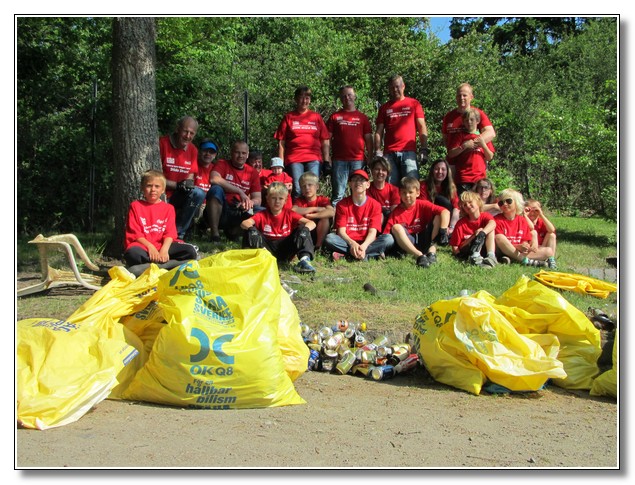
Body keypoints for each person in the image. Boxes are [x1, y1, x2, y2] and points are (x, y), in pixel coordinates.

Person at [123, 170, 198, 277]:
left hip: (163, 246)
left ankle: (149, 267)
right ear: (142, 188)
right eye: (149, 186)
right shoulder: (135, 206)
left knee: (190, 251)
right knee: (132, 254)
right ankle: (168, 265)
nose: (153, 189)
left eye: (157, 186)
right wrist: (151, 247)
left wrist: (164, 250)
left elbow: (170, 233)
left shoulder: (168, 208)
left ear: (163, 190)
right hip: (144, 246)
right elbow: (136, 234)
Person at [241, 182, 317, 274]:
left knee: (302, 228)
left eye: (280, 199)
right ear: (267, 199)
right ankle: (251, 259)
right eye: (273, 198)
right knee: (249, 231)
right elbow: (245, 223)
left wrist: (306, 229)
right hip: (266, 249)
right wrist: (251, 229)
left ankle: (304, 261)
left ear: (285, 201)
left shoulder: (289, 214)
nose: (277, 201)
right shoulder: (262, 214)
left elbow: (311, 223)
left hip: (285, 249)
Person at [323, 169, 394, 261]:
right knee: (330, 238)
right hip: (348, 241)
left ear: (368, 184)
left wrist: (363, 247)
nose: (358, 182)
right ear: (350, 184)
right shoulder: (342, 204)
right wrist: (352, 244)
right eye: (355, 180)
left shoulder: (375, 205)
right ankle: (371, 254)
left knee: (388, 239)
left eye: (361, 180)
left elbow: (373, 232)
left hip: (368, 241)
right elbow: (341, 232)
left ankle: (348, 254)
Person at [274, 86, 331, 199]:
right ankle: (297, 215)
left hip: (314, 158)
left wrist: (326, 161)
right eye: (301, 97)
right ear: (296, 99)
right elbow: (281, 142)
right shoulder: (289, 117)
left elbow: (325, 140)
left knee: (312, 188)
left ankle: (311, 216)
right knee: (298, 189)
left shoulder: (316, 117)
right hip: (294, 158)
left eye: (307, 98)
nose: (304, 101)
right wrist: (280, 163)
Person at [384, 176, 450, 269]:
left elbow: (445, 212)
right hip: (409, 242)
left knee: (438, 216)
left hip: (425, 238)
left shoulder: (423, 204)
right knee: (396, 227)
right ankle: (419, 256)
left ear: (418, 193)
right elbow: (386, 235)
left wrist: (443, 231)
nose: (407, 195)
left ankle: (432, 252)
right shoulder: (396, 212)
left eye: (410, 192)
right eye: (404, 193)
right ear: (400, 194)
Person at [374, 75, 428, 185]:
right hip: (389, 153)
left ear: (403, 86)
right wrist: (378, 150)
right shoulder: (384, 108)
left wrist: (424, 148)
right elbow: (379, 131)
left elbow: (421, 127)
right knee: (391, 187)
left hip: (409, 152)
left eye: (397, 86)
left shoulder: (414, 104)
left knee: (411, 185)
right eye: (392, 87)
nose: (395, 90)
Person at [159, 116, 206, 240]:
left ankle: (179, 234)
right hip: (161, 193)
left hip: (179, 194)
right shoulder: (162, 143)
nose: (188, 136)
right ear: (177, 129)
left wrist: (187, 184)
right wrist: (177, 185)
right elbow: (155, 177)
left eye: (192, 133)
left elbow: (190, 176)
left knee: (198, 193)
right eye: (185, 131)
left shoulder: (193, 150)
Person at [326, 85, 373, 206]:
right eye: (344, 96)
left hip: (358, 160)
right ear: (341, 99)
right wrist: (327, 158)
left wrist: (371, 157)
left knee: (358, 192)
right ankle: (336, 223)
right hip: (339, 160)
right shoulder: (335, 117)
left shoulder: (362, 117)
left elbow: (368, 139)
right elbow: (327, 139)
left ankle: (357, 221)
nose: (347, 98)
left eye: (349, 95)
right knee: (338, 194)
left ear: (354, 96)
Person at [206, 140, 262, 242]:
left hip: (240, 209)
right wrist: (240, 191)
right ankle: (215, 234)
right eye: (237, 152)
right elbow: (214, 179)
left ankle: (235, 231)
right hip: (222, 208)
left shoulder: (252, 172)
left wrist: (249, 203)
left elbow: (258, 198)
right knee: (215, 189)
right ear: (231, 152)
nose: (240, 155)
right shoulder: (222, 163)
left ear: (248, 154)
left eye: (244, 153)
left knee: (262, 211)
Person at [494, 189, 553, 266]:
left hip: (518, 252)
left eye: (508, 201)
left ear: (516, 202)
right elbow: (500, 243)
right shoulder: (496, 220)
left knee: (548, 251)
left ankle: (513, 259)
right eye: (501, 203)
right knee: (499, 237)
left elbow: (525, 240)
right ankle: (525, 260)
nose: (504, 204)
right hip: (503, 250)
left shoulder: (522, 220)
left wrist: (526, 246)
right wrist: (518, 246)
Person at [446, 108, 495, 194]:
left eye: (472, 119)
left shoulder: (483, 137)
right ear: (463, 122)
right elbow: (451, 153)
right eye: (466, 120)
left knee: (479, 204)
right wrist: (464, 146)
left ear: (477, 121)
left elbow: (490, 157)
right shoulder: (460, 136)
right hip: (464, 177)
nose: (469, 122)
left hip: (480, 178)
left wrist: (483, 144)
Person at [442, 82, 496, 156]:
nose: (461, 98)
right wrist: (457, 150)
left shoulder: (478, 113)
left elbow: (490, 133)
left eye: (464, 95)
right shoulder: (449, 116)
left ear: (471, 97)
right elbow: (445, 138)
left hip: (474, 159)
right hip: (453, 161)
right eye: (459, 95)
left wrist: (470, 145)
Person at [450, 190, 498, 267]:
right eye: (465, 205)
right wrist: (459, 255)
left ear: (478, 202)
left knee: (489, 229)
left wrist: (482, 233)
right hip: (467, 247)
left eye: (470, 202)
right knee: (479, 231)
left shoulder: (485, 216)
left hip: (482, 245)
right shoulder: (461, 223)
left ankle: (491, 256)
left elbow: (493, 223)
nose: (468, 206)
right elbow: (455, 245)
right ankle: (475, 257)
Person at [292, 171, 335, 250]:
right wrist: (316, 209)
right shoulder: (299, 200)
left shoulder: (323, 199)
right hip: (305, 231)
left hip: (321, 231)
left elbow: (331, 212)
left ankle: (318, 246)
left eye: (310, 185)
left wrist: (312, 216)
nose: (307, 188)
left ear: (317, 186)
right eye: (303, 186)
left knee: (325, 218)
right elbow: (293, 210)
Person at [420, 160, 460, 234]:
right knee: (440, 199)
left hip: (447, 219)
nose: (440, 172)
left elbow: (456, 209)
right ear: (432, 171)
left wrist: (451, 227)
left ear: (447, 172)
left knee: (444, 201)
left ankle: (445, 231)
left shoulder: (451, 187)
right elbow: (424, 206)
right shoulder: (423, 185)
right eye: (436, 169)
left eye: (443, 169)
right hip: (429, 217)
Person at [367, 156, 400, 230]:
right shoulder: (366, 189)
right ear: (372, 171)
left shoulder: (394, 190)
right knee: (379, 215)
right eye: (377, 169)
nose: (380, 172)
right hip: (370, 224)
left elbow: (394, 212)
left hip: (389, 225)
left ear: (388, 173)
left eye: (383, 170)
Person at [524, 198, 558, 269]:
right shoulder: (523, 221)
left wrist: (541, 215)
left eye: (535, 210)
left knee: (551, 235)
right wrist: (525, 214)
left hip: (542, 247)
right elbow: (531, 227)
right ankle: (542, 258)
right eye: (529, 210)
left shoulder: (541, 222)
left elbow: (551, 229)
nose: (532, 213)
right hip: (530, 249)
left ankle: (551, 259)